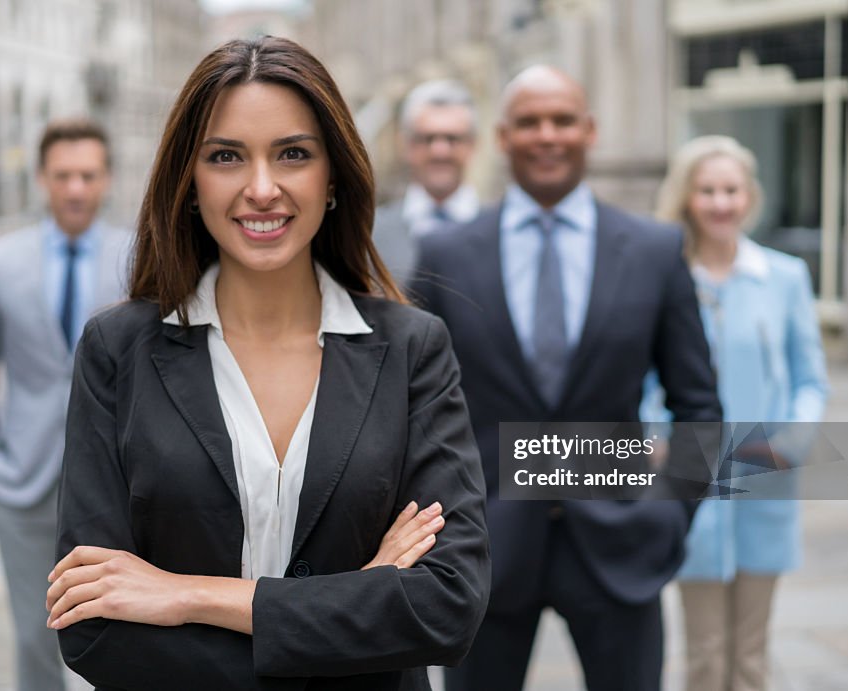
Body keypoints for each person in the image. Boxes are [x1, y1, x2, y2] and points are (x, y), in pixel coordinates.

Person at [44, 36, 489, 690]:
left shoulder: (412, 347)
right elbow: (92, 625)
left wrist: (190, 594)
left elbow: (448, 605)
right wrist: (359, 599)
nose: (261, 187)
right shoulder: (118, 349)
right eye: (226, 156)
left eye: (293, 154)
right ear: (189, 181)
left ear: (331, 175)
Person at [410, 65, 722, 691]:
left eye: (561, 120)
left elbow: (699, 407)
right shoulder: (447, 254)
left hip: (622, 545)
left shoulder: (656, 250)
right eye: (529, 122)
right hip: (484, 553)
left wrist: (668, 517)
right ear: (502, 136)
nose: (546, 135)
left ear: (590, 131)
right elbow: (414, 411)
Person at [0, 118, 131, 691]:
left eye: (87, 175)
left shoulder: (138, 257)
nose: (75, 188)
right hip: (23, 483)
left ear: (105, 179)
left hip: (118, 482)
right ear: (42, 179)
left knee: (119, 632)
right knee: (34, 636)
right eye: (63, 176)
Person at [650, 135, 829, 691]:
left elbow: (809, 377)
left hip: (764, 479)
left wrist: (789, 442)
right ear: (686, 197)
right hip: (690, 484)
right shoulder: (665, 277)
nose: (721, 202)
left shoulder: (785, 277)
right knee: (703, 656)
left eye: (731, 189)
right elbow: (648, 378)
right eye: (707, 190)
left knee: (751, 657)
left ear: (749, 196)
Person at [374, 78, 479, 284]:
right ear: (405, 144)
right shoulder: (370, 236)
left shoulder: (502, 233)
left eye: (452, 139)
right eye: (427, 139)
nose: (439, 151)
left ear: (473, 145)